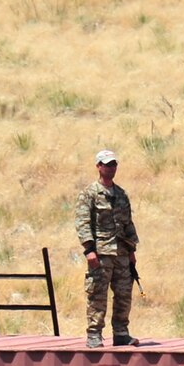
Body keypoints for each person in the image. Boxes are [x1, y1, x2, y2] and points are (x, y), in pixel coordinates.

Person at [74, 148, 139, 348]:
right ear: (98, 167)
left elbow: (128, 223)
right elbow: (83, 223)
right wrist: (89, 250)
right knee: (97, 294)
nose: (111, 168)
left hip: (120, 253)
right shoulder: (89, 194)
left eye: (113, 164)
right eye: (107, 164)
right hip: (101, 253)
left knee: (123, 294)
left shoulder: (121, 194)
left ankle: (121, 332)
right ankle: (94, 334)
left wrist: (131, 252)